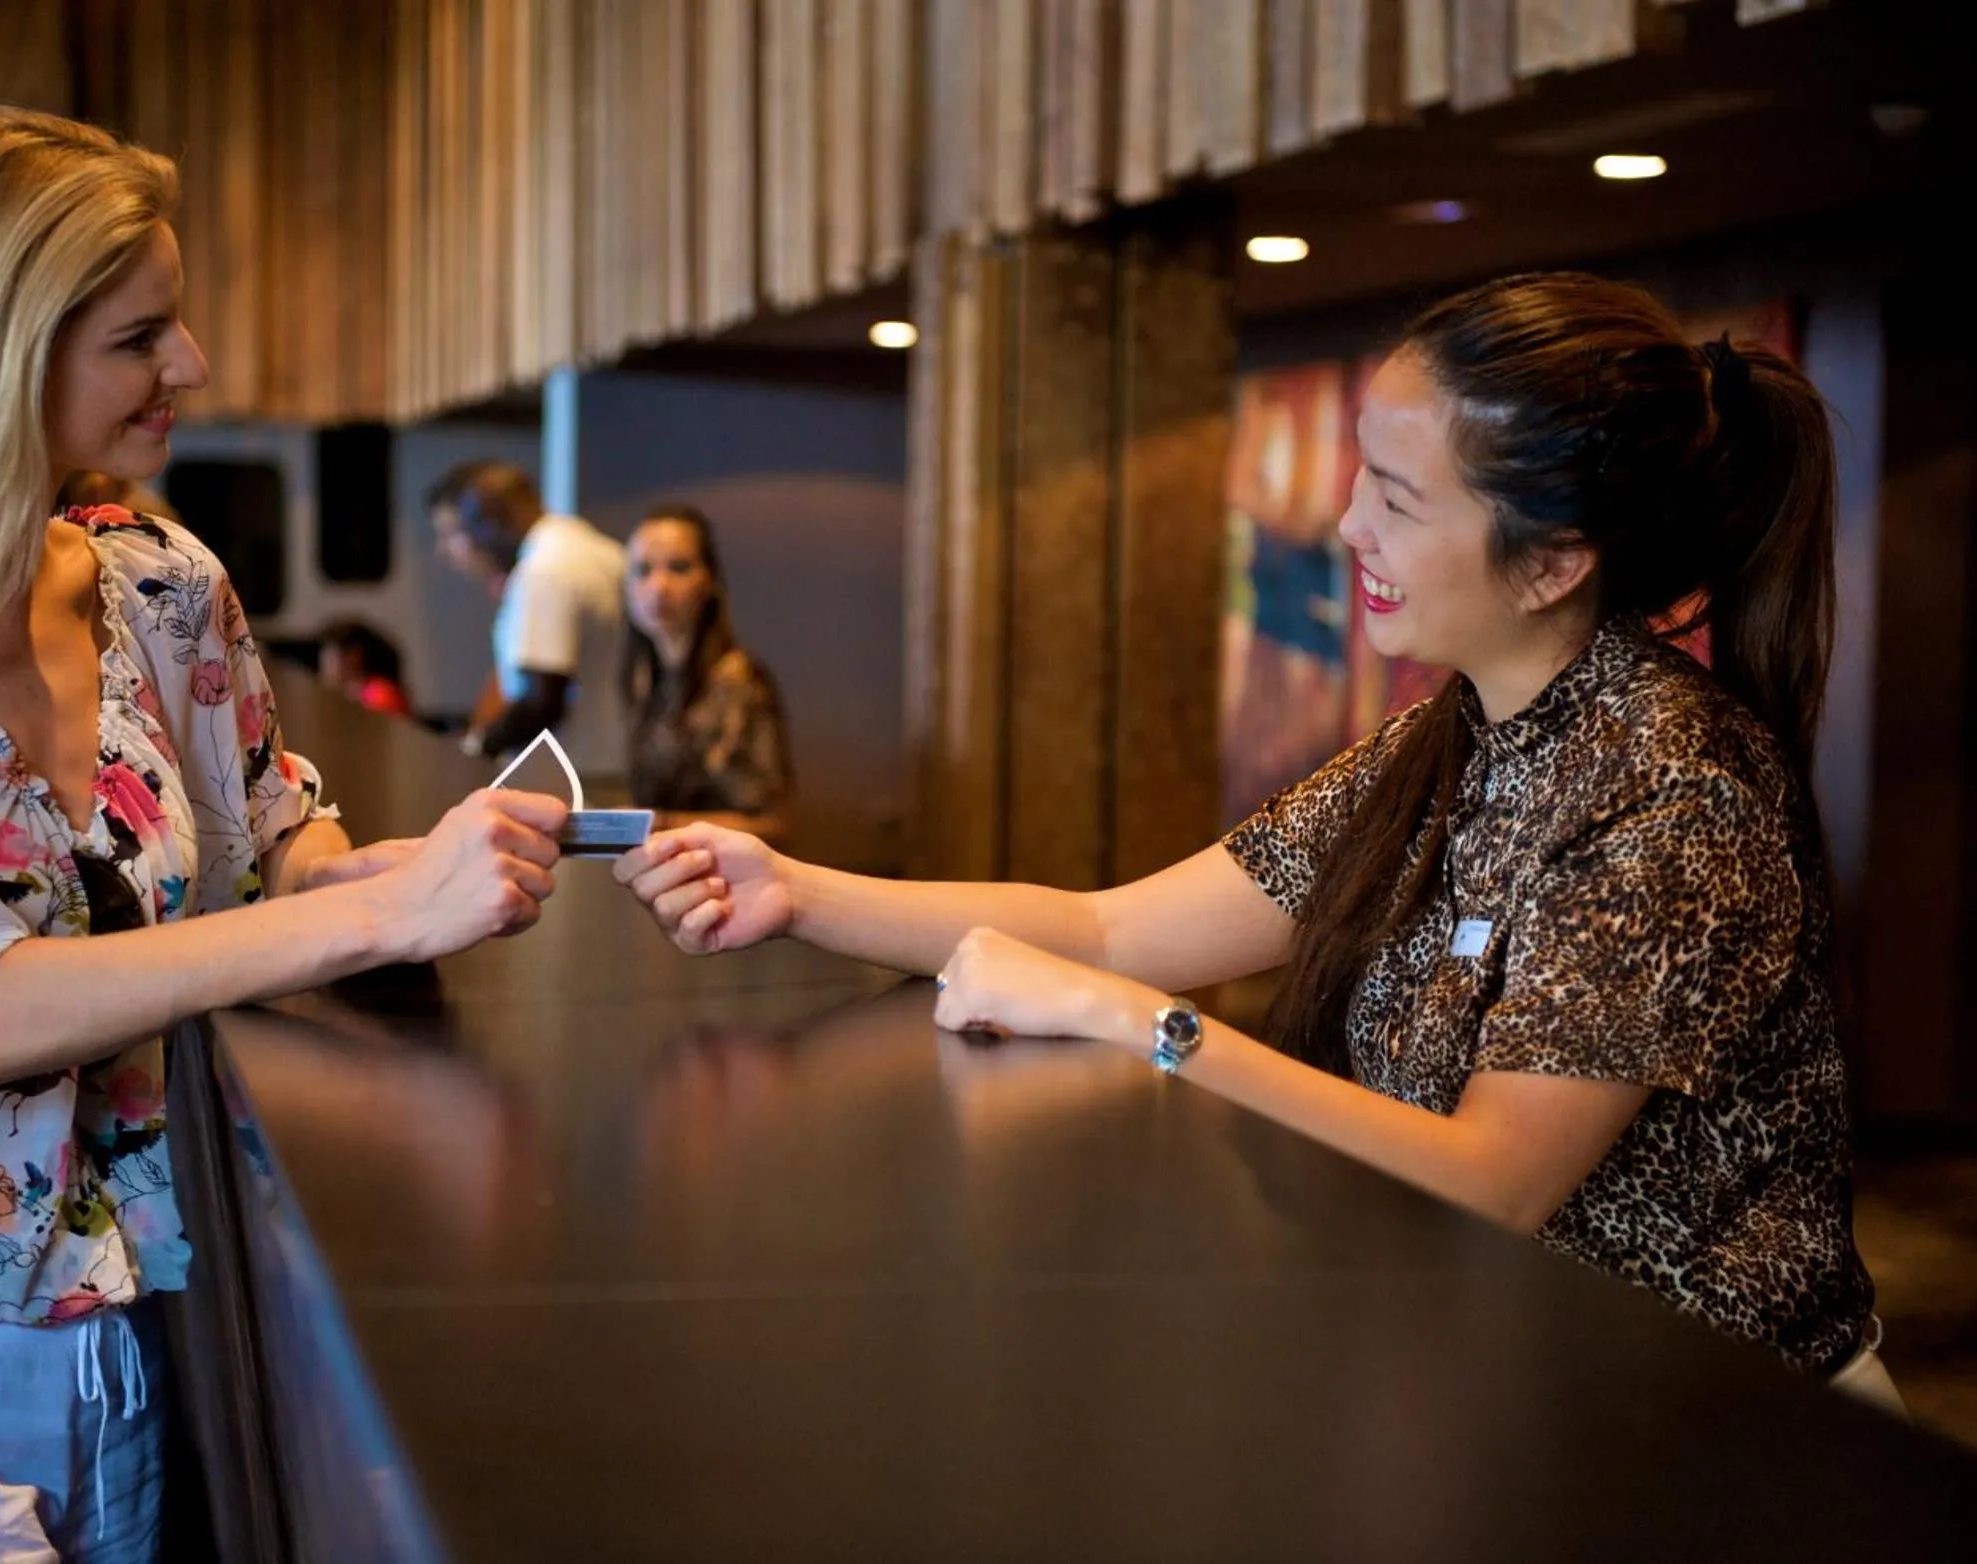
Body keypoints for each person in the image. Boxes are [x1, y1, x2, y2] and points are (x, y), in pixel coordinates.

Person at [618, 272, 1902, 1411]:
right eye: (1359, 476)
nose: (1347, 527)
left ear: (1552, 562)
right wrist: (795, 890)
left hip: (1723, 1438)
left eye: (1395, 498)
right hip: (1524, 1385)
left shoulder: (1671, 790)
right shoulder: (1449, 736)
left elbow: (1494, 1181)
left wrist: (1142, 1025)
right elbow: (1113, 926)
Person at [0, 104, 567, 1561]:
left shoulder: (160, 580)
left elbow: (270, 839)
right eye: (140, 336)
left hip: (131, 1343)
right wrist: (377, 917)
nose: (190, 366)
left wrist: (374, 870)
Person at [427, 460, 627, 769]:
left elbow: (540, 702)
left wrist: (474, 748)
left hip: (572, 774)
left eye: (453, 533)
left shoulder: (543, 569)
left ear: (487, 523)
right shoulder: (598, 549)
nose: (445, 552)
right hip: (612, 762)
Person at [622, 503, 792, 840]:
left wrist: (661, 823)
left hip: (727, 866)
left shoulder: (737, 682)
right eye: (643, 570)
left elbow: (774, 822)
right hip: (664, 862)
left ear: (709, 580)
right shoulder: (643, 678)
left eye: (678, 567)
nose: (659, 586)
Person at [318, 618, 414, 719]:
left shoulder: (379, 696)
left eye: (330, 657)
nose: (324, 665)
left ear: (353, 656)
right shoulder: (351, 695)